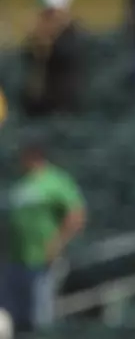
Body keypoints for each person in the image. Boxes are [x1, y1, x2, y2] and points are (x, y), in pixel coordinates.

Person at [1, 142, 86, 333]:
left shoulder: (55, 181)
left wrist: (58, 243)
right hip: (14, 259)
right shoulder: (20, 183)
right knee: (11, 315)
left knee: (40, 316)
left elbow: (76, 214)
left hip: (42, 260)